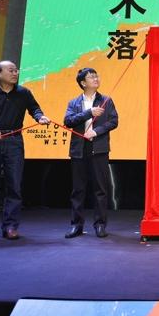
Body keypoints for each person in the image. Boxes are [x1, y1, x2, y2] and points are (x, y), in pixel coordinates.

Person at [0, 60, 50, 240]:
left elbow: (34, 108)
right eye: (11, 70)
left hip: (14, 141)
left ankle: (10, 227)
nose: (15, 73)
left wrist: (40, 117)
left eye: (16, 70)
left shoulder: (23, 93)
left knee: (14, 186)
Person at [63, 68, 119, 239]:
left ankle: (100, 224)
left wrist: (96, 131)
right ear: (83, 83)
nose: (96, 78)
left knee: (100, 189)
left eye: (96, 76)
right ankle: (76, 225)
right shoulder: (74, 103)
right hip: (79, 150)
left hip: (99, 148)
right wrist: (89, 113)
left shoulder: (106, 100)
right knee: (78, 190)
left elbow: (113, 121)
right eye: (91, 77)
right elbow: (68, 121)